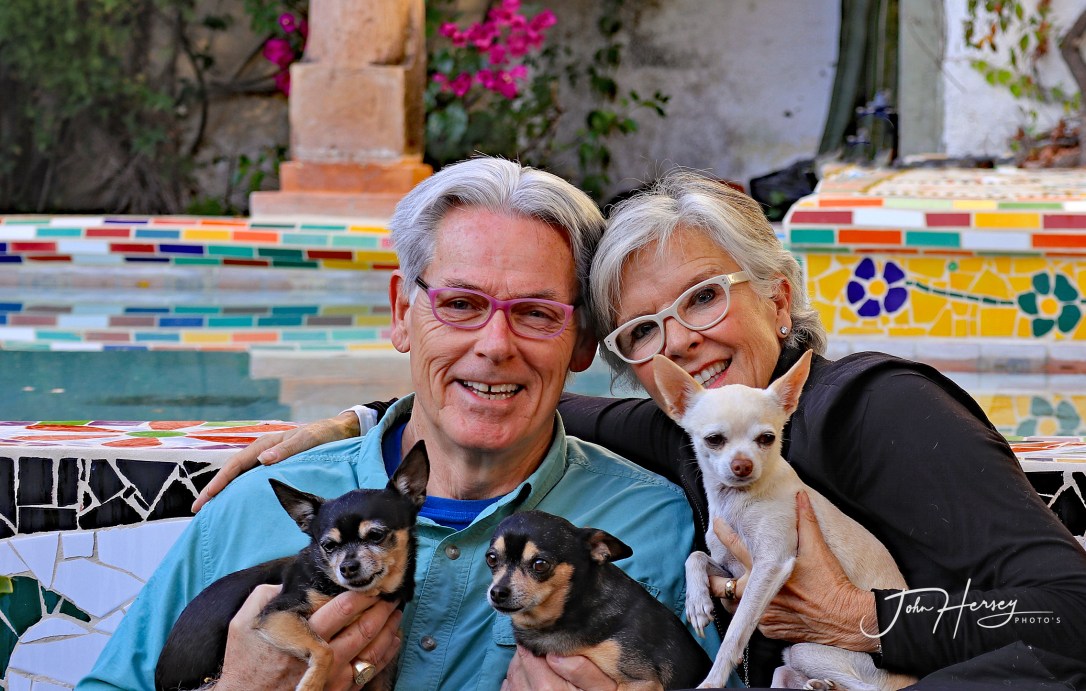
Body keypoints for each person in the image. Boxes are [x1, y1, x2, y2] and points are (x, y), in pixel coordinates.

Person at [200, 169, 1086, 688]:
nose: (686, 342)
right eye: (643, 331)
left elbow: (1072, 610)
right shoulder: (691, 440)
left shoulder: (874, 410)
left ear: (778, 294)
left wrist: (864, 615)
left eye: (705, 296)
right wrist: (361, 420)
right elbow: (514, 391)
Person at [79, 158, 721, 691]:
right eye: (461, 305)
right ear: (402, 313)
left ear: (581, 344)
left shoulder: (658, 528)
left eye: (534, 313)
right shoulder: (254, 507)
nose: (495, 345)